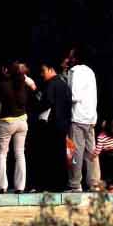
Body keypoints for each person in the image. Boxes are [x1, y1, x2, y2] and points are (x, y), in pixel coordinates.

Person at [63, 47, 100, 192]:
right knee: (90, 151)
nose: (68, 58)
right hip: (90, 117)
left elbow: (74, 95)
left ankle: (74, 184)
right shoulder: (90, 71)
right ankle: (94, 183)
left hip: (78, 116)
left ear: (75, 58)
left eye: (70, 56)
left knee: (75, 151)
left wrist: (64, 96)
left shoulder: (75, 71)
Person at [35, 59, 74, 193]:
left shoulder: (51, 85)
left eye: (43, 71)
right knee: (60, 154)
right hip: (63, 124)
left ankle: (49, 184)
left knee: (49, 155)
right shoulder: (64, 85)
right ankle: (61, 184)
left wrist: (37, 98)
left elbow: (47, 102)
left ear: (51, 69)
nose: (42, 74)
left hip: (51, 124)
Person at [0, 60, 34, 193]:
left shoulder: (3, 85)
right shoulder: (23, 84)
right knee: (20, 153)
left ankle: (2, 186)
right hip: (22, 121)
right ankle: (20, 187)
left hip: (7, 122)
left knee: (2, 153)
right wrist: (25, 78)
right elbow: (34, 86)